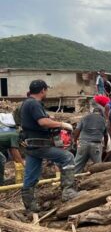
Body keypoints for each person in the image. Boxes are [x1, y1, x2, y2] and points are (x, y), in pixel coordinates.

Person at [21, 80, 78, 211]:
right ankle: (68, 192)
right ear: (42, 90)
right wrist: (62, 124)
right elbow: (42, 122)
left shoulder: (26, 103)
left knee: (31, 176)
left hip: (31, 146)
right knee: (68, 157)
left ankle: (30, 206)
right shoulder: (34, 103)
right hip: (40, 145)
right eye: (46, 90)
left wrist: (50, 119)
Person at [72, 105, 108, 174]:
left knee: (77, 165)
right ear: (101, 113)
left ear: (93, 112)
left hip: (83, 143)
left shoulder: (84, 118)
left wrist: (74, 141)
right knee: (98, 166)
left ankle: (73, 180)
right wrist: (105, 146)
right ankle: (98, 181)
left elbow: (77, 130)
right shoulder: (103, 120)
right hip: (96, 145)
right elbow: (106, 135)